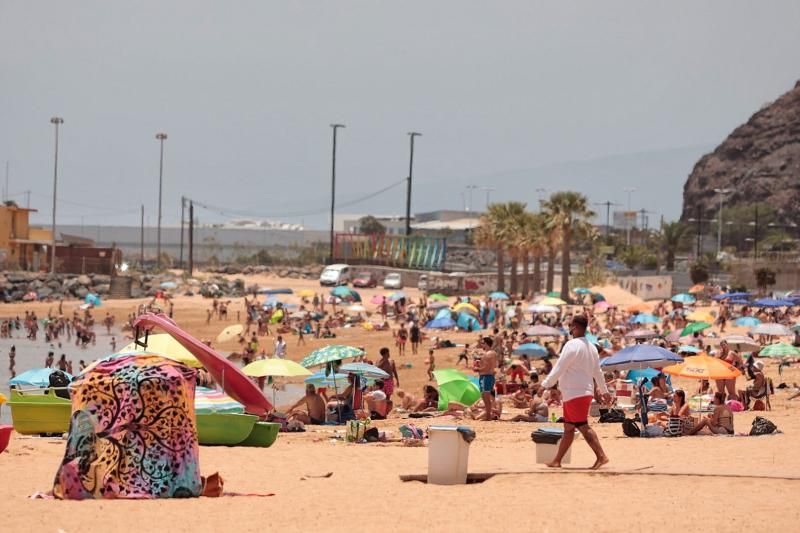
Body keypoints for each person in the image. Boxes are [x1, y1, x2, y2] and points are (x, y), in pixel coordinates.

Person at [541, 314, 611, 469]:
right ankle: (557, 460)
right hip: (581, 392)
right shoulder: (592, 347)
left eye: (570, 325)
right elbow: (597, 372)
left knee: (582, 425)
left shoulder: (572, 345)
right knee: (568, 427)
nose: (569, 328)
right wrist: (604, 391)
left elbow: (560, 366)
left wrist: (546, 384)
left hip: (575, 393)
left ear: (576, 327)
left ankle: (601, 456)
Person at [475, 337, 498, 421]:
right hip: (488, 376)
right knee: (485, 397)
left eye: (483, 343)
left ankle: (488, 416)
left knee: (486, 398)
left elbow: (486, 367)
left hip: (486, 376)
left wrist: (477, 369)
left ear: (486, 343)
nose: (481, 344)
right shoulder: (493, 353)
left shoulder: (488, 354)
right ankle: (488, 415)